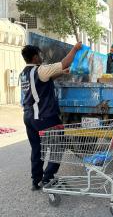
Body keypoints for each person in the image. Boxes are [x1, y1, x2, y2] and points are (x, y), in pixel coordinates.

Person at [20, 42, 82, 191]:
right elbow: (65, 62)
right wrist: (75, 48)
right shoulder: (40, 70)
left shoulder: (24, 74)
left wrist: (61, 73)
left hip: (29, 117)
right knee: (58, 146)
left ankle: (36, 181)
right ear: (35, 57)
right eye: (40, 55)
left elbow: (42, 82)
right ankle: (48, 178)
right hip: (44, 117)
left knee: (37, 149)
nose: (41, 57)